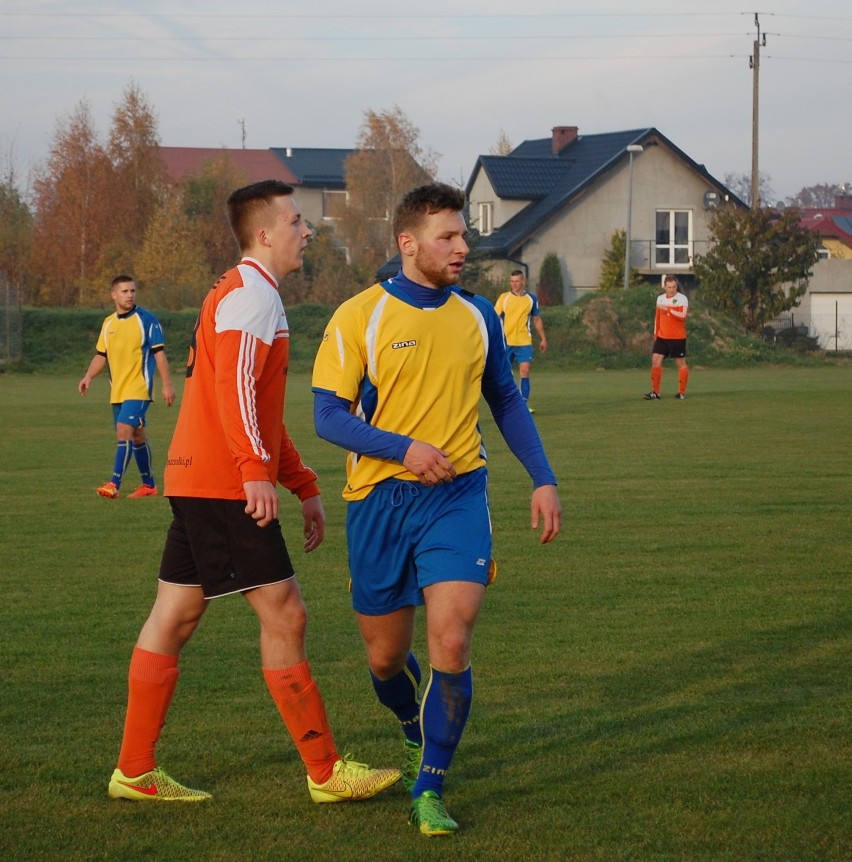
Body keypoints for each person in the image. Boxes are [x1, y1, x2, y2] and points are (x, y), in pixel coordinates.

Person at [108, 180, 400, 804]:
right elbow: (237, 390)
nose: (307, 232)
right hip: (221, 484)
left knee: (175, 614)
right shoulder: (252, 295)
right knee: (285, 613)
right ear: (265, 233)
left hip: (198, 476)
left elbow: (256, 407)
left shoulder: (240, 292)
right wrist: (253, 472)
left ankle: (133, 770)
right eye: (297, 222)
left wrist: (299, 480)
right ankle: (325, 772)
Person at [312, 183, 562, 836]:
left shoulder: (478, 315)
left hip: (457, 494)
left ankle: (430, 786)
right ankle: (407, 722)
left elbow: (506, 400)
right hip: (378, 502)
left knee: (452, 637)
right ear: (408, 243)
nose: (462, 246)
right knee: (385, 659)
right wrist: (403, 449)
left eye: (463, 235)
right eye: (448, 236)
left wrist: (542, 477)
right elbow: (327, 416)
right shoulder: (358, 317)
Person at [79, 275, 176, 498]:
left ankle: (114, 484)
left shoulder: (147, 320)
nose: (130, 295)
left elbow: (159, 354)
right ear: (114, 295)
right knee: (137, 436)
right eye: (124, 291)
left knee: (124, 429)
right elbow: (101, 355)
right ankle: (149, 485)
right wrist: (88, 376)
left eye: (132, 291)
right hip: (118, 391)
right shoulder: (109, 323)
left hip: (139, 389)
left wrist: (167, 385)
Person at [493, 270, 548, 413]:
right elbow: (494, 318)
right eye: (512, 281)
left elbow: (536, 319)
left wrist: (543, 338)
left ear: (523, 282)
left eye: (517, 281)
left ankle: (523, 405)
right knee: (503, 374)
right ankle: (504, 404)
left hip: (524, 341)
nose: (514, 284)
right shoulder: (504, 298)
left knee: (525, 370)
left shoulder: (531, 299)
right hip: (506, 342)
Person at [643, 274, 689, 400]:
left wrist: (668, 309)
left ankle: (681, 392)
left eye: (674, 287)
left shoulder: (682, 299)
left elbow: (683, 316)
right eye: (669, 287)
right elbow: (657, 317)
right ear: (665, 287)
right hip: (662, 337)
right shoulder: (660, 299)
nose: (672, 289)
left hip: (677, 337)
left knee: (681, 363)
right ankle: (656, 392)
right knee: (655, 361)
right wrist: (655, 332)